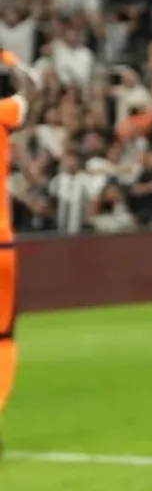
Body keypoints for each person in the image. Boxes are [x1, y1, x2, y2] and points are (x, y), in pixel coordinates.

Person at [0, 49, 39, 458]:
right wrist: (13, 66)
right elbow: (32, 94)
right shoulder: (3, 113)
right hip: (0, 244)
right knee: (3, 337)